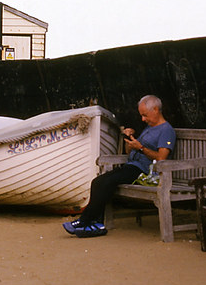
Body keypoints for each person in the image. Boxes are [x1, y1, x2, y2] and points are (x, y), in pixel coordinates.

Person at [63, 94, 176, 237]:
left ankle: (84, 220)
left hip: (144, 172)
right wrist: (129, 140)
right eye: (141, 115)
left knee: (106, 182)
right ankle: (96, 224)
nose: (143, 119)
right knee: (98, 181)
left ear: (155, 109)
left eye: (145, 115)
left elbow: (161, 158)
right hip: (132, 166)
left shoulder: (166, 130)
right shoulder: (149, 127)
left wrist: (140, 148)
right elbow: (130, 152)